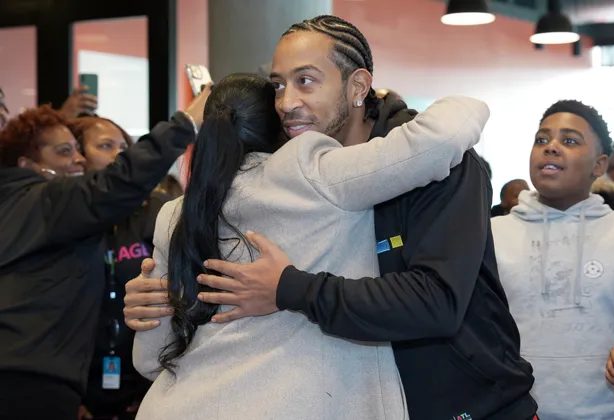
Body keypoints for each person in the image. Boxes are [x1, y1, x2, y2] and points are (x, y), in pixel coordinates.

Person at [124, 15, 537, 420]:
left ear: (358, 86)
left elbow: (436, 301)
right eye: (277, 86)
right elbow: (179, 344)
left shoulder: (440, 167)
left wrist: (291, 287)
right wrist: (159, 302)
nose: (286, 103)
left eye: (305, 81)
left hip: (470, 405)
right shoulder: (287, 182)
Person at [0, 85, 209, 420]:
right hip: (32, 381)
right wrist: (186, 122)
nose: (77, 160)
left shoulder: (25, 204)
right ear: (29, 164)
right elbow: (119, 182)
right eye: (66, 151)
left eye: (123, 146)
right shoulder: (45, 201)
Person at [492, 100, 614, 419]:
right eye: (542, 139)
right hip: (513, 412)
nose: (551, 147)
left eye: (569, 140)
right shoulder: (489, 236)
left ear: (599, 165)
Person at [68, 117, 170, 419]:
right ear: (78, 157)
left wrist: (157, 390)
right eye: (105, 146)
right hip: (80, 388)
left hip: (147, 384)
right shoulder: (65, 221)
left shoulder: (157, 209)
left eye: (124, 146)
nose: (120, 155)